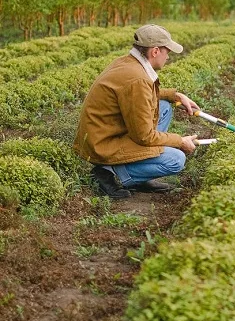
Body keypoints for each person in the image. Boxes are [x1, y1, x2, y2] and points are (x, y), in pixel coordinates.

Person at [74, 24, 199, 198]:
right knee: (176, 159)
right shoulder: (137, 79)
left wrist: (175, 95)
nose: (168, 57)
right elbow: (145, 136)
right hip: (103, 144)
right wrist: (179, 141)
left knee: (163, 107)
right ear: (155, 51)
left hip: (105, 133)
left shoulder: (128, 63)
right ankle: (108, 173)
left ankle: (136, 172)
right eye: (167, 51)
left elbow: (140, 94)